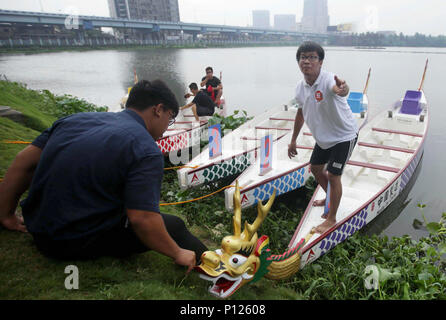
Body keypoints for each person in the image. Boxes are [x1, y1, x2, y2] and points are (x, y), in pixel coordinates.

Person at [0, 79, 207, 273]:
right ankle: (216, 268)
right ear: (158, 109)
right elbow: (142, 219)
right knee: (175, 226)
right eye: (170, 119)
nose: (166, 128)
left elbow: (23, 162)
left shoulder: (74, 120)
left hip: (37, 225)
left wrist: (6, 214)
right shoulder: (145, 149)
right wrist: (176, 252)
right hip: (69, 242)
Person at [287, 41, 358, 234]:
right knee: (316, 169)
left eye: (312, 57)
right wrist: (293, 139)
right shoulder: (299, 88)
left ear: (320, 62)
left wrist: (343, 88)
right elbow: (301, 113)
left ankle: (332, 219)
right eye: (303, 57)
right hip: (324, 139)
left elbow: (341, 89)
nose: (307, 61)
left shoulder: (328, 80)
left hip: (344, 135)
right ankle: (330, 198)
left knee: (334, 175)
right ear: (298, 61)